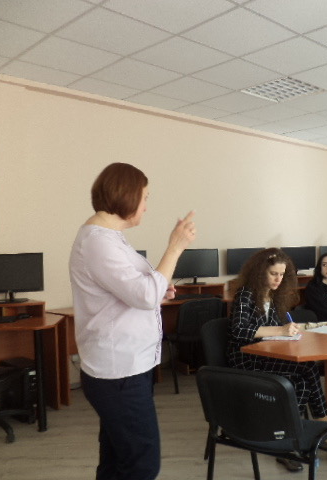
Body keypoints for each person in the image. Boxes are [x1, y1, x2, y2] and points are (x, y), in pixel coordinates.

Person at [69, 162, 196, 480]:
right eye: (146, 197)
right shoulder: (98, 242)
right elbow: (144, 295)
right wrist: (175, 247)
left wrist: (159, 289)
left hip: (126, 369)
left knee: (116, 461)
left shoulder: (109, 237)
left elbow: (135, 291)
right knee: (141, 465)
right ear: (126, 195)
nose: (146, 206)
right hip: (119, 373)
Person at [226, 248, 327, 472]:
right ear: (260, 272)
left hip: (265, 352)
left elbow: (270, 331)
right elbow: (239, 331)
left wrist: (288, 331)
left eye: (281, 274)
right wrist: (280, 330)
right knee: (305, 371)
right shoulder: (246, 294)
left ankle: (294, 440)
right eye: (273, 274)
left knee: (303, 377)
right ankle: (316, 434)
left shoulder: (273, 295)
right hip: (246, 357)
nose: (278, 279)